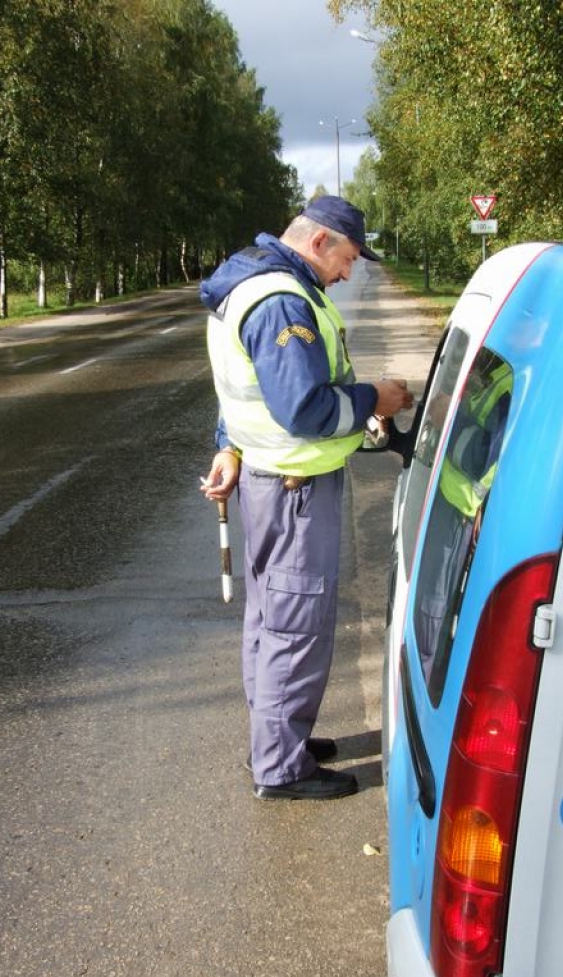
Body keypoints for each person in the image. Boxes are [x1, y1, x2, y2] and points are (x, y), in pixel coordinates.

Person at [199, 195, 413, 801]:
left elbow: (242, 388)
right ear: (319, 242)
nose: (348, 273)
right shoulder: (283, 302)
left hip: (270, 480)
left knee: (271, 617)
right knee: (295, 623)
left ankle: (276, 737)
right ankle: (282, 768)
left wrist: (228, 445)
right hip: (294, 487)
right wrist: (376, 399)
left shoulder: (251, 280)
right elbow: (304, 409)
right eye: (346, 259)